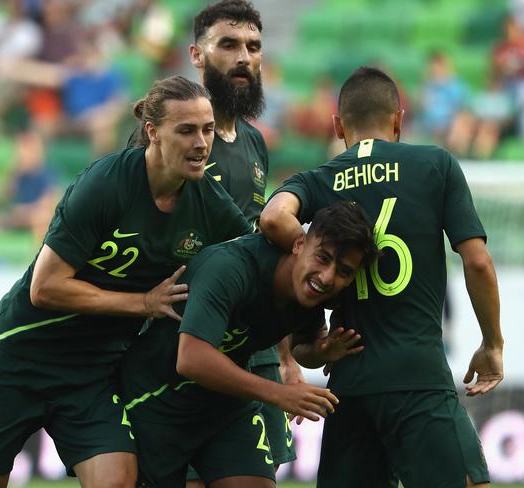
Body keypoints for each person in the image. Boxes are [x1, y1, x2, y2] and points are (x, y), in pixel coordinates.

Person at [0, 75, 251, 488]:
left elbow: (258, 261)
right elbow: (46, 287)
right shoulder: (107, 182)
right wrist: (143, 304)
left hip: (91, 373)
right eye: (186, 130)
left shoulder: (211, 205)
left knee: (117, 480)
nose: (201, 143)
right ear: (153, 133)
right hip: (18, 356)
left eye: (208, 129)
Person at [260, 66, 503, 488]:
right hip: (417, 378)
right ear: (398, 119)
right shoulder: (435, 164)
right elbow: (478, 262)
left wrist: (308, 254)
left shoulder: (317, 180)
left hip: (349, 388)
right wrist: (492, 343)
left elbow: (272, 217)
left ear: (337, 126)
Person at [121, 202, 378, 488]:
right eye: (322, 257)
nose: (327, 277)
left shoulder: (313, 294)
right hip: (157, 398)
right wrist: (280, 394)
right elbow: (191, 358)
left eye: (343, 271)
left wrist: (321, 351)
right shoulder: (230, 267)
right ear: (299, 244)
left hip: (225, 404)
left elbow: (303, 345)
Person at [187, 2, 303, 482]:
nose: (243, 57)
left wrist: (287, 356)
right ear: (197, 54)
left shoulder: (255, 142)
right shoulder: (177, 132)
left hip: (252, 348)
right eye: (229, 45)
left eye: (253, 47)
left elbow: (262, 254)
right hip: (187, 346)